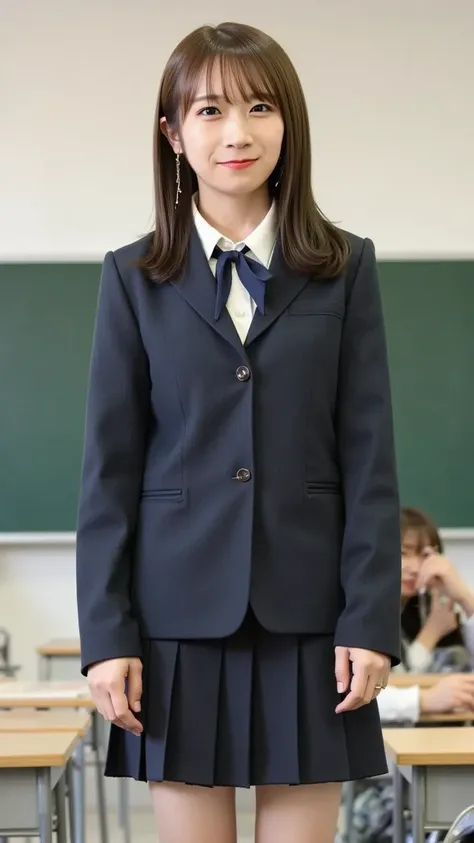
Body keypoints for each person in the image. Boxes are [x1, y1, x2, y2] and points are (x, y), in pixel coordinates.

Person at [75, 21, 402, 843]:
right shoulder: (132, 275)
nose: (237, 132)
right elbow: (108, 471)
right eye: (210, 109)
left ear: (288, 125)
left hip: (313, 621)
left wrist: (369, 618)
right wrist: (105, 637)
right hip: (173, 625)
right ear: (173, 134)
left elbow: (369, 459)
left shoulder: (345, 264)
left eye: (260, 107)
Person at [400, 506, 474, 672]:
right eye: (403, 553)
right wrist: (432, 632)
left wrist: (464, 597)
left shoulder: (431, 606)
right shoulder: (369, 611)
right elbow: (390, 687)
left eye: (425, 556)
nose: (415, 568)